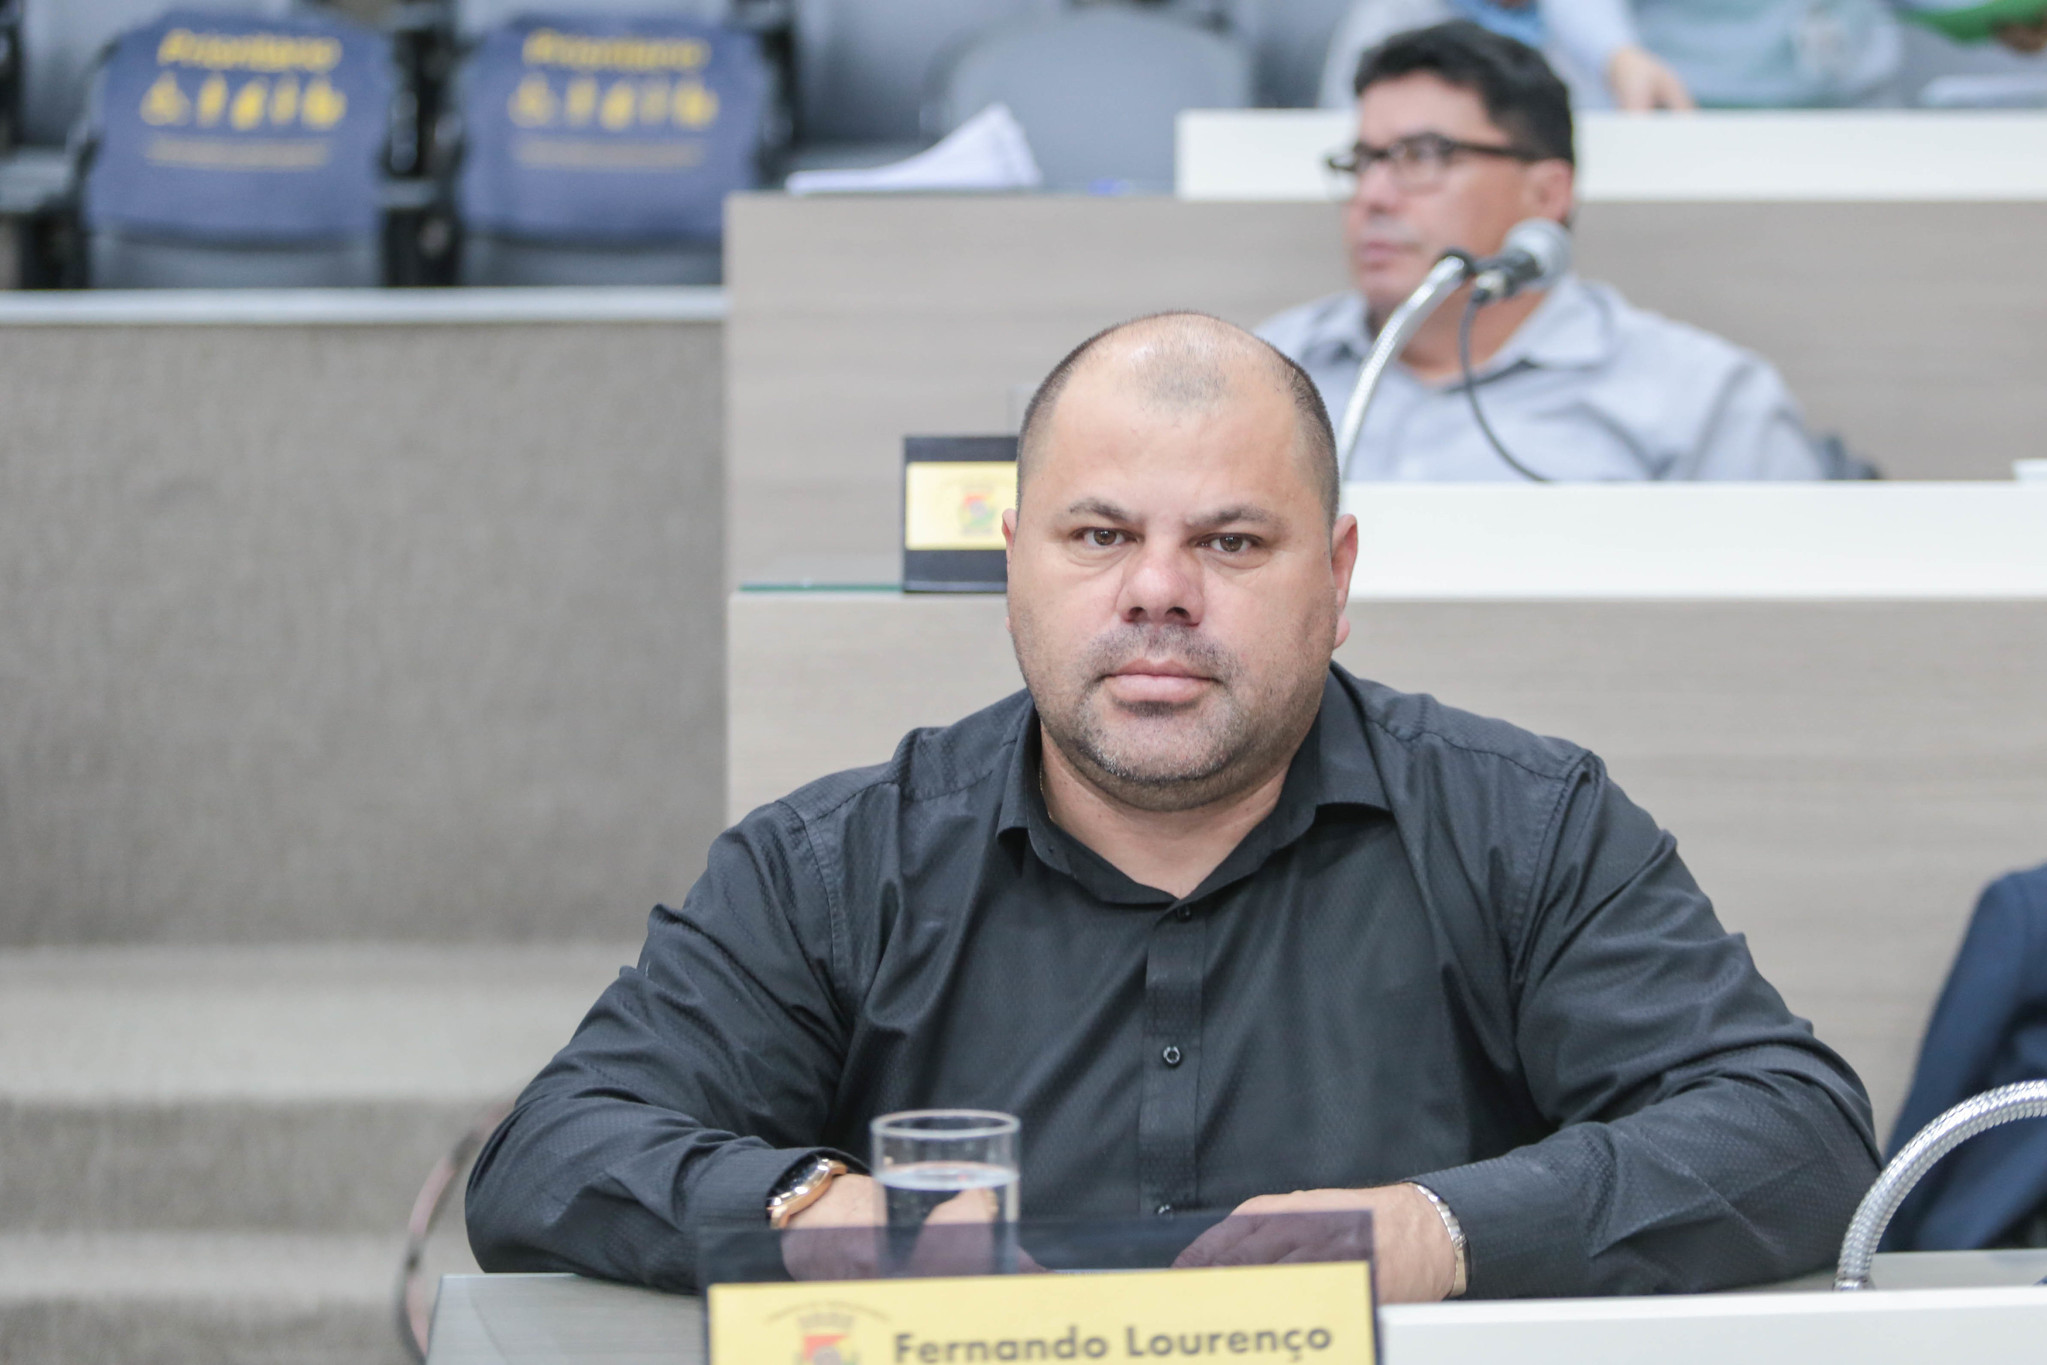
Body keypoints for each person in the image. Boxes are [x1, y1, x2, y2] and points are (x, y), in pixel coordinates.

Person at [466, 312, 1879, 1301]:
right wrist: (812, 1212)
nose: (1155, 590)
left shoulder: (1522, 823)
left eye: (1228, 541)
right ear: (1011, 561)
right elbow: (553, 1152)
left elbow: (1790, 1132)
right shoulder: (834, 865)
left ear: (1331, 578)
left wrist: (1443, 1227)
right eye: (1098, 536)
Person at [1269, 20, 1835, 482]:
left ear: (1546, 193)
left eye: (1421, 157)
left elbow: (1786, 612)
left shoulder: (1703, 397)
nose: (1372, 196)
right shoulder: (1266, 372)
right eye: (1363, 162)